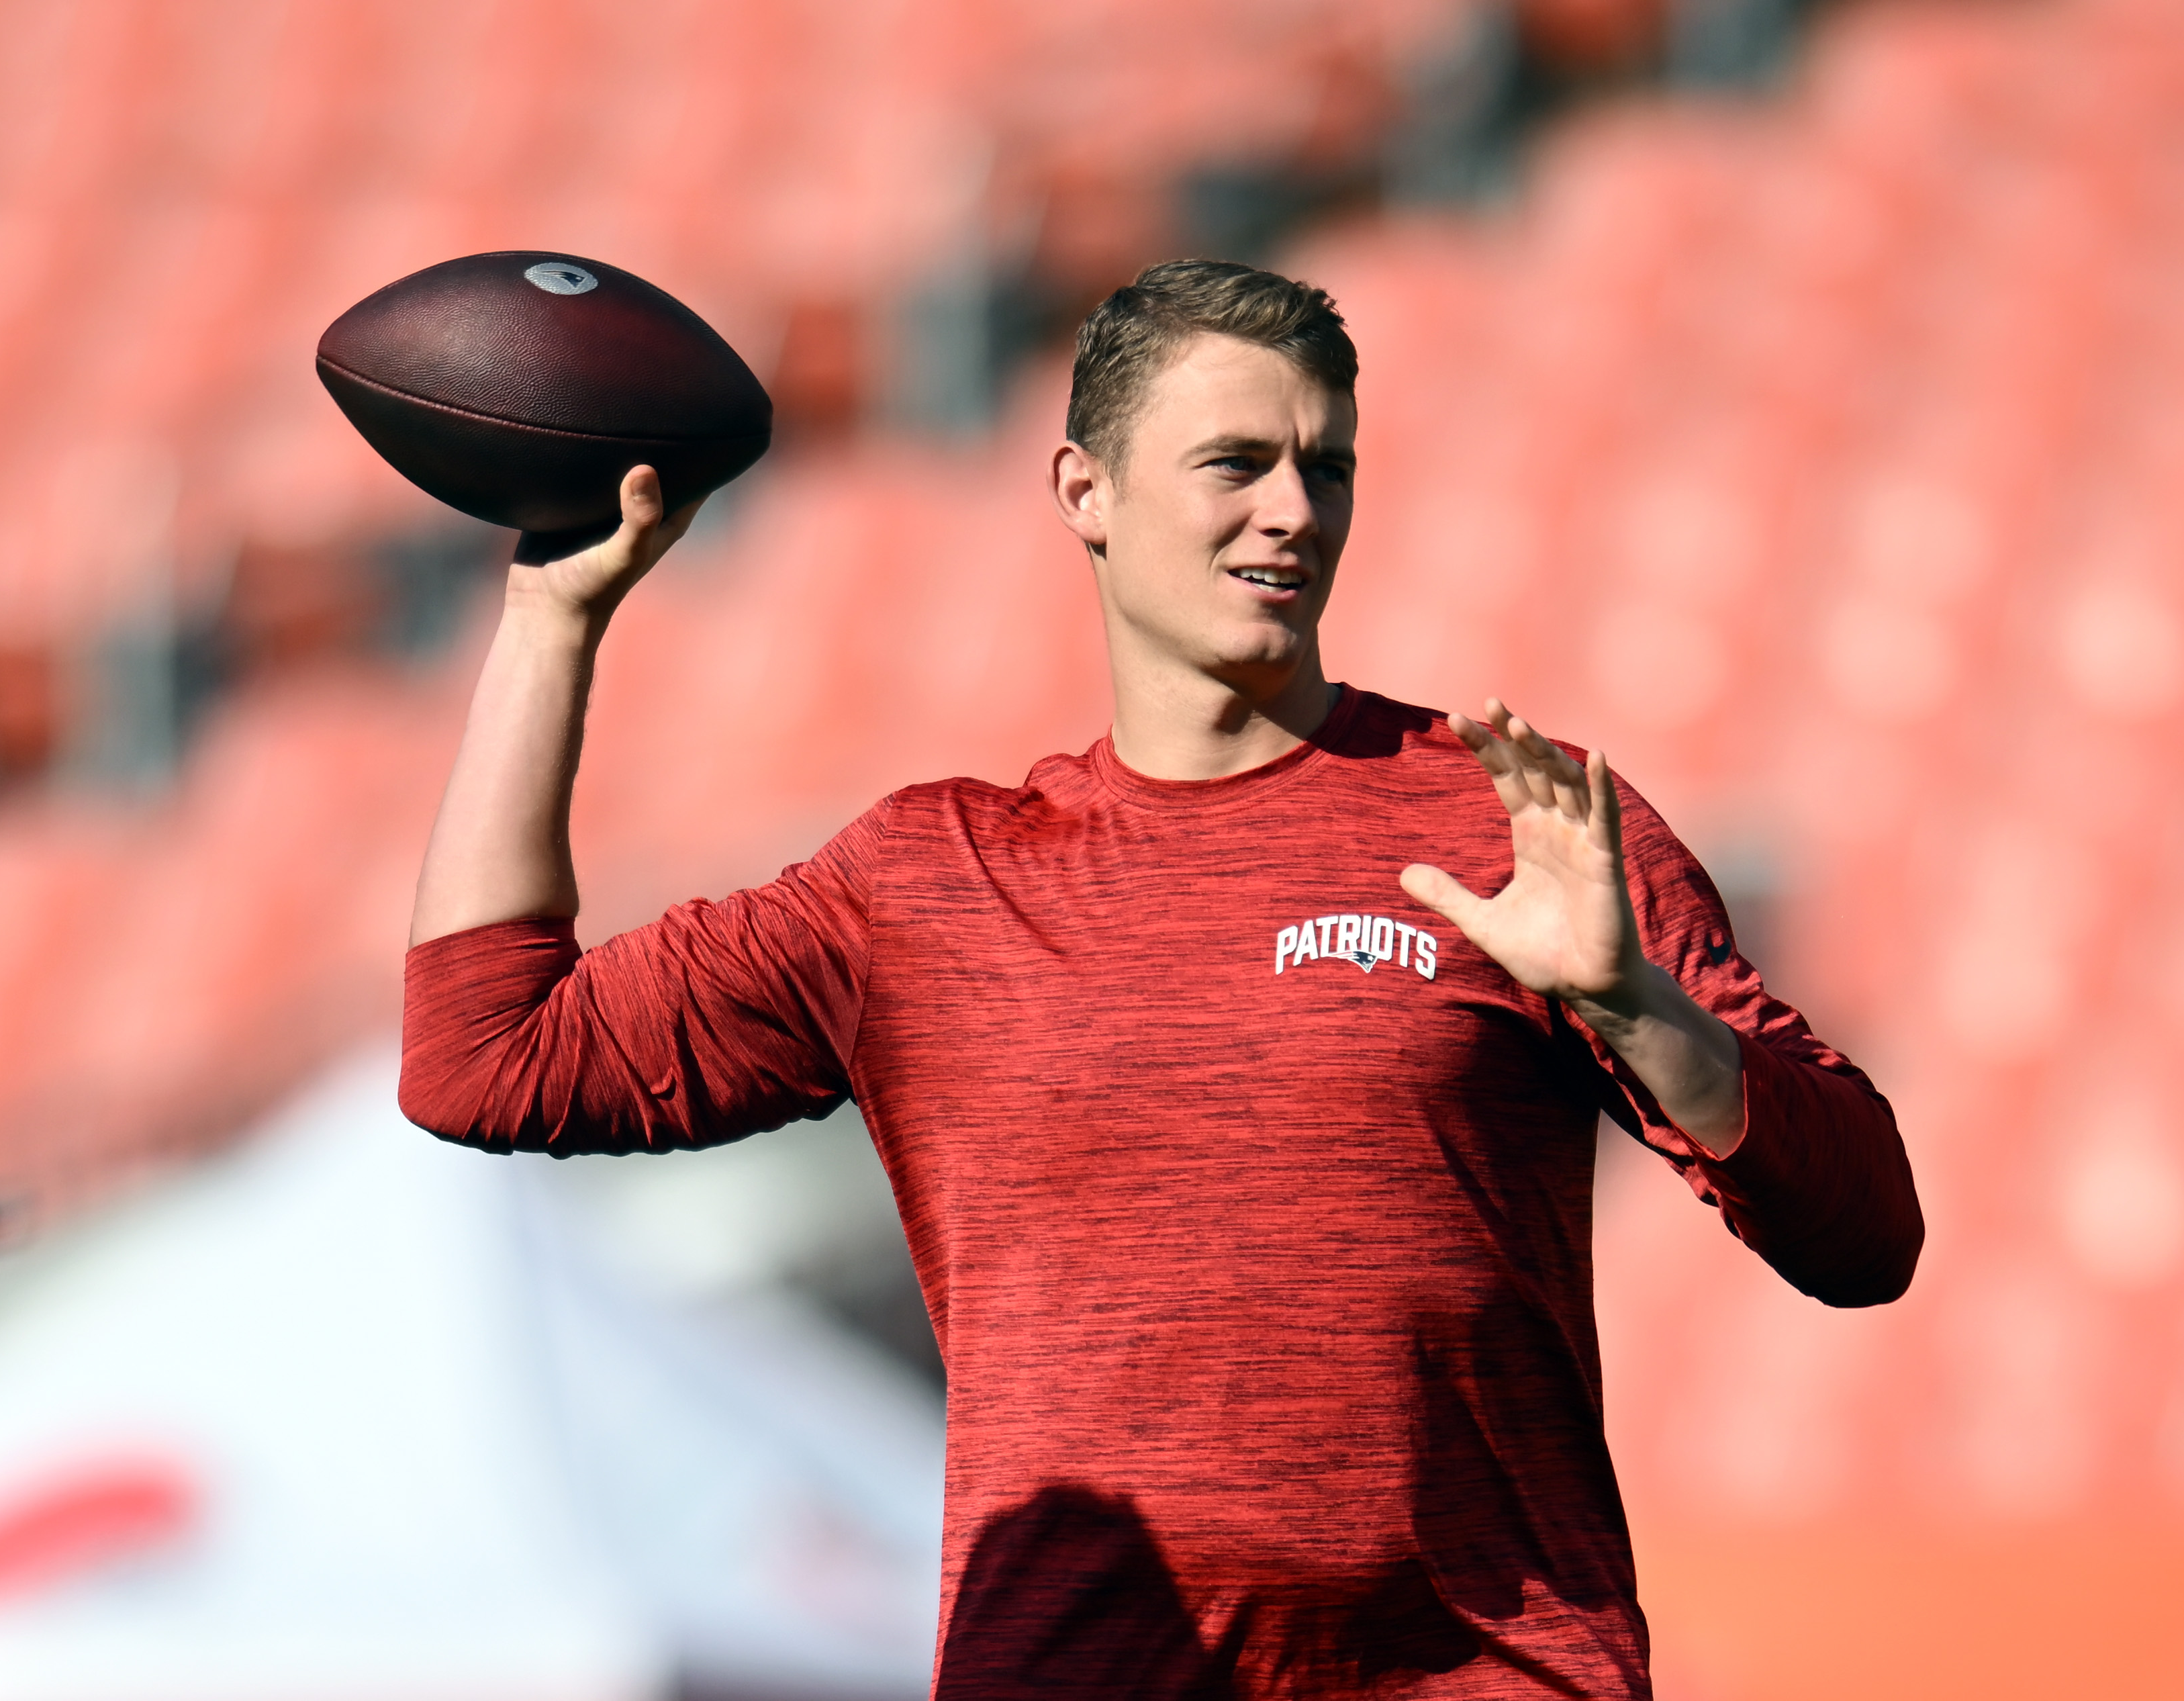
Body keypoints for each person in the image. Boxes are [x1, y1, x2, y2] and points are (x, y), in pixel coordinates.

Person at [401, 260, 1923, 1698]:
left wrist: (1638, 1009)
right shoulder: (927, 881)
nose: (1292, 511)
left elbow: (1869, 1230)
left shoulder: (1517, 826)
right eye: (1236, 462)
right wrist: (551, 616)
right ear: (1087, 491)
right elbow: (483, 1059)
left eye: (1327, 468)